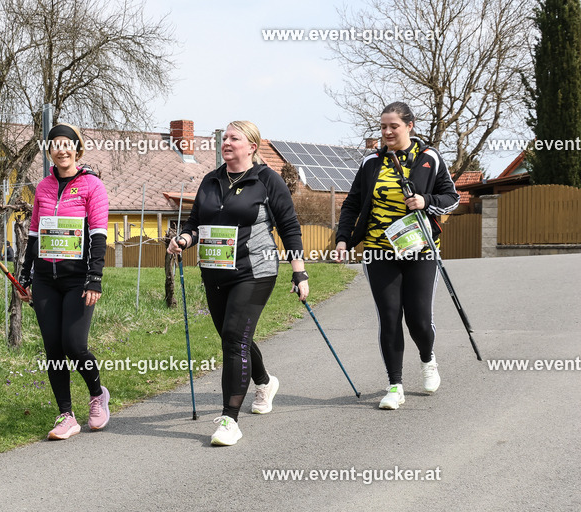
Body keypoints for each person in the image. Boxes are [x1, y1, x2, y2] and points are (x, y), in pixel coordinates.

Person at [167, 121, 308, 446]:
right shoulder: (211, 179)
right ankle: (264, 381)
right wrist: (184, 239)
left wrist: (299, 271)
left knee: (232, 338)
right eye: (225, 138)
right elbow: (194, 222)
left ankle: (229, 420)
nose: (227, 142)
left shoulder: (267, 180)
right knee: (234, 337)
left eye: (235, 138)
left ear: (252, 146)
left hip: (255, 270)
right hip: (215, 272)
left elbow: (289, 226)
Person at [335, 101, 459, 409]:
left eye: (394, 126)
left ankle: (428, 360)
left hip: (419, 250)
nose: (387, 132)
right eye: (383, 127)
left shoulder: (428, 158)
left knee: (418, 319)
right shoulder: (370, 163)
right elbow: (352, 204)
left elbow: (452, 198)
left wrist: (425, 200)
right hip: (379, 250)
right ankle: (395, 385)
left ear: (409, 126)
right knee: (389, 318)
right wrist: (343, 240)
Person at [18, 123, 110, 440]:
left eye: (67, 143)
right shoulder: (42, 187)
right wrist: (25, 275)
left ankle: (97, 394)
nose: (61, 149)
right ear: (49, 151)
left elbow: (99, 236)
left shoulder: (91, 186)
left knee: (74, 344)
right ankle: (66, 416)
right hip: (45, 278)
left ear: (76, 148)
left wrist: (94, 278)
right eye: (55, 144)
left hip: (78, 279)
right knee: (54, 350)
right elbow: (33, 234)